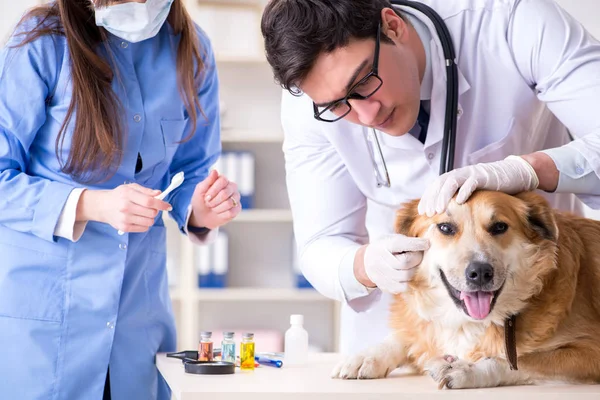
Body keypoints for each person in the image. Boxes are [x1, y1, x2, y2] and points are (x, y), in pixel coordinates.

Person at [260, 0, 600, 354]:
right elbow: (320, 243)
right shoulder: (308, 99)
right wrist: (364, 265)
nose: (366, 114)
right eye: (337, 106)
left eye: (364, 82)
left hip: (535, 318)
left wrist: (528, 169)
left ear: (392, 26)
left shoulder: (510, 20)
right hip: (402, 333)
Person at [0, 0, 240, 399]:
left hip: (137, 323)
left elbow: (191, 169)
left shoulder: (192, 48)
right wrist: (91, 204)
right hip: (46, 324)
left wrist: (203, 206)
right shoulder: (42, 41)